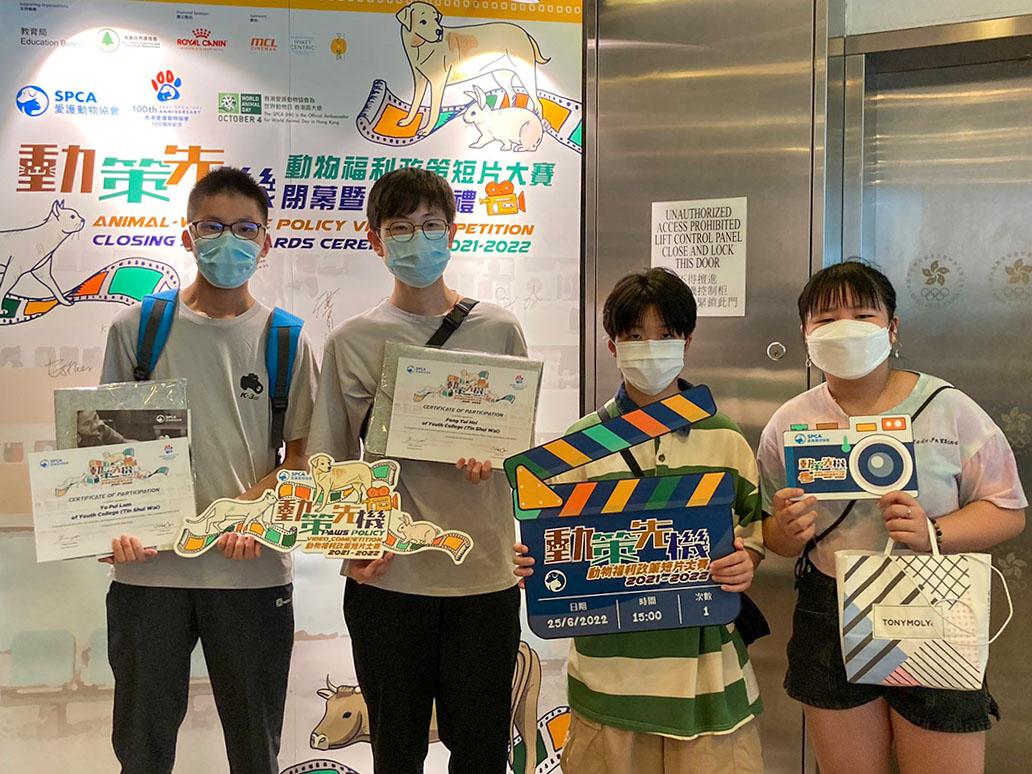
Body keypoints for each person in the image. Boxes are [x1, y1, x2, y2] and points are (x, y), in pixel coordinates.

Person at [758, 260, 1027, 774]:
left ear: (892, 327)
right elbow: (774, 534)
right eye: (826, 319)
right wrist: (785, 531)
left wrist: (935, 531)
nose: (846, 329)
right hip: (829, 608)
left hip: (933, 604)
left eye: (863, 315)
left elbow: (1007, 510)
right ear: (805, 335)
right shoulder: (789, 422)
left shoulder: (949, 408)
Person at [98, 167, 318, 774]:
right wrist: (106, 525)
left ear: (266, 241)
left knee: (255, 750)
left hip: (250, 573)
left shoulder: (286, 339)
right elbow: (103, 450)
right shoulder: (138, 330)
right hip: (149, 574)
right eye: (212, 227)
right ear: (187, 236)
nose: (229, 241)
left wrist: (250, 514)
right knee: (142, 750)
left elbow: (300, 461)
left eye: (245, 228)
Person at [308, 167, 528, 773]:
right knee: (395, 752)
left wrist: (496, 459)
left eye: (431, 225)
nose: (418, 239)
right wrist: (349, 552)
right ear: (375, 240)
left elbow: (517, 445)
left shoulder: (499, 329)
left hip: (483, 576)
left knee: (481, 752)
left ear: (453, 233)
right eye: (400, 228)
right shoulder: (352, 340)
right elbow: (331, 464)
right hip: (389, 581)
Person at [513, 267, 765, 774]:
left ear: (687, 341)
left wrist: (746, 563)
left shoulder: (726, 437)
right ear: (612, 346)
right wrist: (532, 564)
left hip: (708, 685)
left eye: (665, 334)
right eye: (633, 336)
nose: (649, 347)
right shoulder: (579, 444)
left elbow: (752, 535)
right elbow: (552, 543)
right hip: (610, 683)